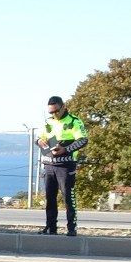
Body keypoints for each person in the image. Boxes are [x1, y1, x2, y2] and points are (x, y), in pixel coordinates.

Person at [37, 96, 88, 236]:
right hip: (48, 164)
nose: (54, 115)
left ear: (63, 107)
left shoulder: (74, 121)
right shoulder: (48, 122)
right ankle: (50, 227)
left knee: (68, 197)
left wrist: (65, 149)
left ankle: (72, 228)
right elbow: (39, 138)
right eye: (51, 112)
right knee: (50, 198)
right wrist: (40, 142)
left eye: (56, 111)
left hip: (65, 165)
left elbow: (83, 140)